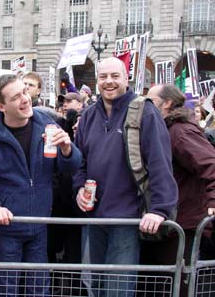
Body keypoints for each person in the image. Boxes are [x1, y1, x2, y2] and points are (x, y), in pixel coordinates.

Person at [0, 74, 82, 296]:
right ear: (1, 106)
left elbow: (69, 168)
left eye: (24, 91)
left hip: (39, 224)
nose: (25, 99)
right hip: (5, 228)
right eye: (16, 97)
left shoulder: (46, 124)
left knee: (38, 289)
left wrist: (68, 150)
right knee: (4, 289)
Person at [74, 57, 178, 296]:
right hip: (94, 219)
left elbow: (160, 164)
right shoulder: (89, 115)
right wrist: (79, 188)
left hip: (127, 219)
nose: (109, 82)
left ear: (126, 78)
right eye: (103, 77)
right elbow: (80, 162)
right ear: (97, 80)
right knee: (95, 288)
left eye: (115, 76)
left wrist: (159, 209)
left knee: (118, 289)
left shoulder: (146, 112)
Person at [145, 84, 215, 297]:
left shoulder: (180, 131)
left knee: (180, 285)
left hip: (185, 222)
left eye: (151, 101)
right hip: (173, 221)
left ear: (166, 103)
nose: (146, 106)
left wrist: (213, 202)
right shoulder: (166, 128)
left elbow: (210, 163)